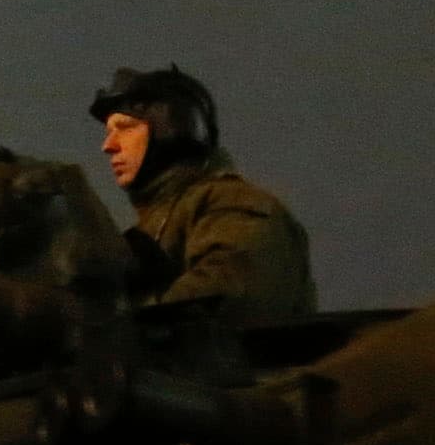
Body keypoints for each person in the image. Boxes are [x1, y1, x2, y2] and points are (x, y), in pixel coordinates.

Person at [88, 66, 317, 325]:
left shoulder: (234, 204)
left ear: (173, 127)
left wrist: (119, 328)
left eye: (125, 128)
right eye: (109, 133)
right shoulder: (151, 227)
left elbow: (225, 295)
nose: (108, 146)